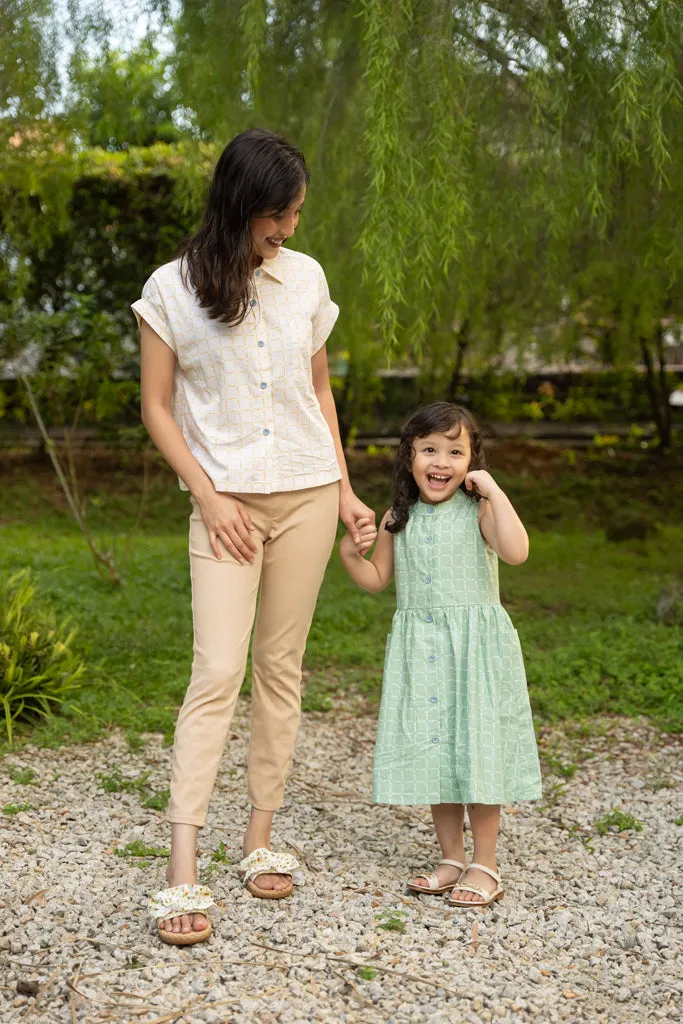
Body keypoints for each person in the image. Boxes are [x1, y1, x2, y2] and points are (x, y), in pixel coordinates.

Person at [133, 128, 374, 944]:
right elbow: (157, 407)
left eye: (298, 214)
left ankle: (259, 835)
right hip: (225, 507)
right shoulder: (170, 288)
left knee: (280, 668)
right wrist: (209, 497)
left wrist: (342, 491)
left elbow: (317, 392)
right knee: (215, 671)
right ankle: (181, 867)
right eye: (281, 215)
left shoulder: (304, 277)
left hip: (306, 492)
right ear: (243, 205)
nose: (291, 231)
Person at [339, 402, 542, 907]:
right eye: (430, 449)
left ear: (473, 461)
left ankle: (485, 863)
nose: (441, 461)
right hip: (423, 647)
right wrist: (349, 555)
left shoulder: (480, 509)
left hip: (475, 652)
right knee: (438, 752)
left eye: (456, 451)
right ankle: (452, 857)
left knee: (477, 747)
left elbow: (516, 552)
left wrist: (494, 490)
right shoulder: (397, 517)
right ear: (409, 456)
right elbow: (377, 579)